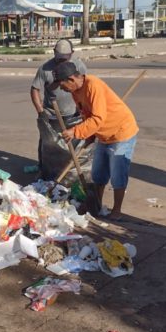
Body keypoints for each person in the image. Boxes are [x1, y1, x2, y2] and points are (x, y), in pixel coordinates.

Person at [53, 61, 139, 221]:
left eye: (62, 85)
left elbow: (98, 118)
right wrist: (90, 136)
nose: (62, 89)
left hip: (121, 132)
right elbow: (86, 114)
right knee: (98, 173)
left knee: (117, 173)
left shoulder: (93, 85)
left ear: (71, 79)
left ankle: (117, 210)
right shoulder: (75, 91)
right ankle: (96, 205)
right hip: (103, 134)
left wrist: (75, 131)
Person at [29, 39, 87, 176]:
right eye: (59, 58)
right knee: (49, 145)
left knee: (72, 146)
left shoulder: (79, 66)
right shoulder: (45, 68)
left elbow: (84, 86)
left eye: (65, 59)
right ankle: (44, 170)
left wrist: (83, 108)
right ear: (54, 52)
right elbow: (35, 89)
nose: (62, 61)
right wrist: (40, 111)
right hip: (52, 114)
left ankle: (69, 173)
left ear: (72, 53)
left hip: (73, 113)